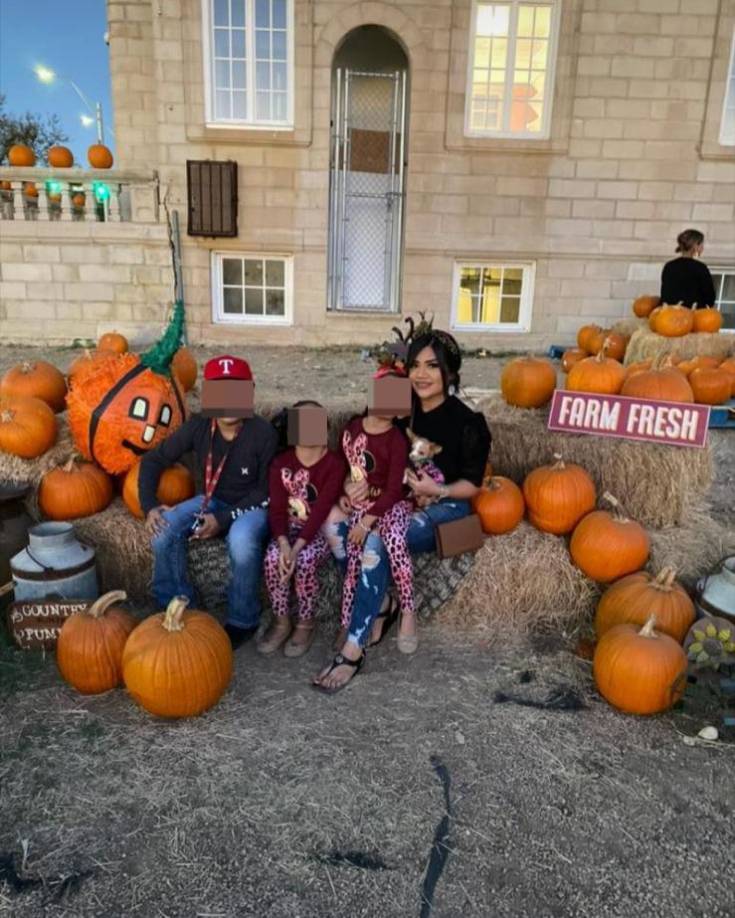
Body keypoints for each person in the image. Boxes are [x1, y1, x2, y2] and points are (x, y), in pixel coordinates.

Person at [315, 328, 491, 693]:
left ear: (451, 372)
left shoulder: (468, 423)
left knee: (376, 539)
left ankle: (354, 644)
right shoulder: (395, 404)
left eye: (432, 366)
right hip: (392, 501)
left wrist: (437, 490)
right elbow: (361, 451)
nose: (421, 374)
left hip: (444, 507)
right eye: (415, 365)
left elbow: (472, 486)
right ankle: (381, 602)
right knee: (340, 526)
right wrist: (350, 484)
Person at [140, 355, 278, 649]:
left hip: (251, 506)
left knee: (241, 540)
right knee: (163, 530)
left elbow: (266, 491)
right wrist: (149, 505)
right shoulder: (199, 426)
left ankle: (244, 619)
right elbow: (153, 460)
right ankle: (175, 607)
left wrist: (224, 519)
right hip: (211, 499)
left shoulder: (263, 433)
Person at [319, 367, 413, 676]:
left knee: (391, 544)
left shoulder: (396, 440)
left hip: (387, 508)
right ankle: (348, 622)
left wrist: (366, 522)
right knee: (353, 566)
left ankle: (407, 609)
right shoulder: (352, 428)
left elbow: (395, 490)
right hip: (359, 506)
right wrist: (344, 490)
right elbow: (346, 467)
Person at [258, 402, 345, 658]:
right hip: (288, 530)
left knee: (305, 561)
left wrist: (296, 549)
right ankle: (282, 620)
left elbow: (321, 511)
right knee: (273, 558)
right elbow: (276, 510)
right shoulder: (280, 465)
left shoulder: (334, 465)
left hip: (316, 531)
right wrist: (284, 545)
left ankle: (306, 623)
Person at [660, 229, 717, 308]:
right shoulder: (700, 268)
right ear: (695, 246)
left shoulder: (669, 266)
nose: (703, 247)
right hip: (694, 316)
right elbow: (710, 297)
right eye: (701, 244)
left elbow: (665, 296)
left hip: (670, 314)